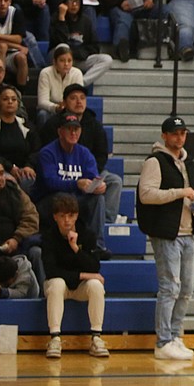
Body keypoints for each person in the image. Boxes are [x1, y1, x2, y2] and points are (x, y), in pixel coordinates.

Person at [136, 115, 194, 362]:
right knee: (170, 286)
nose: (180, 137)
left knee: (186, 289)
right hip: (166, 233)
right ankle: (163, 341)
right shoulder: (155, 161)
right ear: (164, 135)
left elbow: (191, 189)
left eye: (183, 133)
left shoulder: (188, 162)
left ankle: (175, 336)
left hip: (187, 232)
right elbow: (146, 195)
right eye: (175, 133)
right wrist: (180, 193)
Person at [41, 84, 123, 225]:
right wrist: (78, 182)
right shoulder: (52, 125)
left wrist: (93, 181)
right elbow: (49, 178)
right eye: (73, 98)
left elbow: (101, 155)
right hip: (63, 176)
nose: (79, 102)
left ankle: (105, 222)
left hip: (87, 171)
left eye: (82, 98)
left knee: (113, 182)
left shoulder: (94, 127)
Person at [41, 193, 109, 359]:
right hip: (58, 287)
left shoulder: (87, 234)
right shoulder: (49, 237)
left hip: (79, 288)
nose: (67, 221)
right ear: (55, 217)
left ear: (76, 216)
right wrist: (83, 275)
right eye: (62, 216)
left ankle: (96, 338)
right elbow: (51, 271)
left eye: (71, 216)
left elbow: (95, 266)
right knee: (57, 283)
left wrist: (76, 248)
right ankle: (55, 339)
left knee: (96, 285)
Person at [35, 113, 108, 254]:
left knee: (98, 199)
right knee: (63, 198)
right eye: (69, 129)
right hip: (48, 200)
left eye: (76, 129)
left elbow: (92, 177)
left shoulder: (85, 153)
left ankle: (97, 246)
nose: (73, 132)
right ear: (60, 131)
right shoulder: (47, 153)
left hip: (75, 199)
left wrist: (97, 186)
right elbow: (50, 182)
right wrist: (77, 184)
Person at [0, 156, 42, 292]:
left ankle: (44, 295)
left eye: (1, 173)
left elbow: (31, 217)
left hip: (17, 246)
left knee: (37, 252)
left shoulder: (15, 192)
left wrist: (16, 239)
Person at [49, 0, 113, 86]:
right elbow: (58, 42)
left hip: (78, 58)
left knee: (106, 59)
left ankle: (79, 83)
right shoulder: (56, 18)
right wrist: (61, 19)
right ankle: (61, 82)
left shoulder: (86, 21)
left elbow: (95, 46)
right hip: (58, 59)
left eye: (77, 1)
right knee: (63, 47)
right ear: (64, 3)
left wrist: (80, 53)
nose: (74, 5)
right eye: (70, 1)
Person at [36, 44, 83, 126]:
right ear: (54, 61)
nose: (66, 64)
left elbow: (78, 97)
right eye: (62, 60)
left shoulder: (77, 73)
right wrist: (56, 107)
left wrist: (67, 107)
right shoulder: (45, 73)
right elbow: (42, 102)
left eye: (69, 61)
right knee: (42, 114)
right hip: (51, 110)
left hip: (70, 109)